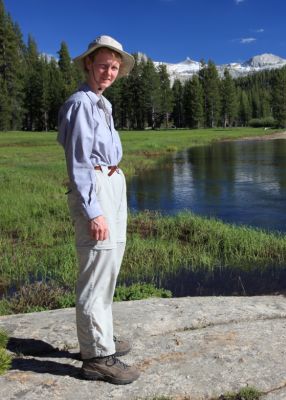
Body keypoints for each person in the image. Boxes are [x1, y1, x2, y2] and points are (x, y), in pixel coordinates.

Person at [57, 35, 140, 385]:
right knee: (96, 268)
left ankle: (101, 337)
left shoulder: (101, 104)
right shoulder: (80, 104)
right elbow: (78, 164)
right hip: (95, 189)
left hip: (110, 185)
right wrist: (94, 212)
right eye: (103, 64)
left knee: (108, 266)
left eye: (115, 67)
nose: (109, 71)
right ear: (89, 63)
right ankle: (96, 358)